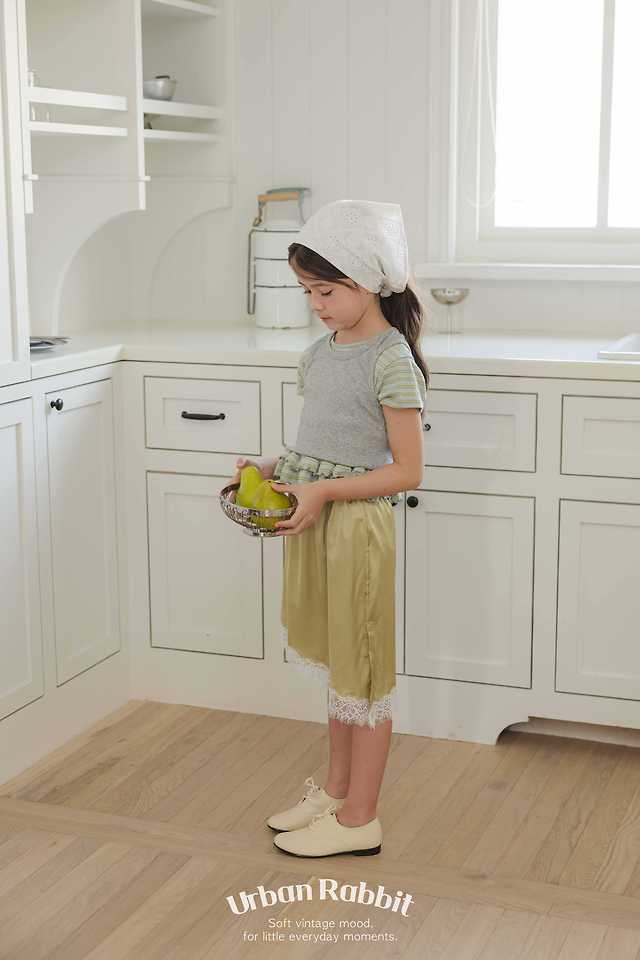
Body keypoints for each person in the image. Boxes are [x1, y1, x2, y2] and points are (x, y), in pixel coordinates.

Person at [228, 199, 429, 858]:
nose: (315, 304)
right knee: (340, 667)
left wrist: (321, 490)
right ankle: (337, 792)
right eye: (307, 291)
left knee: (363, 675)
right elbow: (319, 445)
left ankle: (360, 819)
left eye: (326, 290)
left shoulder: (390, 360)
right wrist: (270, 467)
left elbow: (406, 471)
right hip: (316, 523)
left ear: (367, 281)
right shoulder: (319, 354)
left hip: (355, 530)